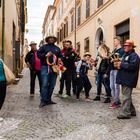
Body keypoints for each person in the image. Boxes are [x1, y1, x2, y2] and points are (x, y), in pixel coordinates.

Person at [114, 40, 140, 119]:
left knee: (125, 96)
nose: (125, 47)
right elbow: (124, 65)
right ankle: (132, 111)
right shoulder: (126, 54)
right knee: (127, 96)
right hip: (125, 78)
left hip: (129, 79)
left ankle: (125, 113)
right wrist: (118, 65)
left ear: (131, 47)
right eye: (124, 45)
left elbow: (133, 66)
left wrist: (121, 64)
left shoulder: (134, 56)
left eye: (127, 46)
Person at [37, 36, 62, 108]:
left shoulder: (57, 48)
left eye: (53, 38)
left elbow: (61, 56)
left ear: (54, 40)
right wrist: (45, 55)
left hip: (54, 68)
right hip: (45, 67)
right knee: (44, 84)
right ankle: (43, 100)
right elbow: (38, 55)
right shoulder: (43, 47)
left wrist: (60, 58)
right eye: (50, 38)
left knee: (52, 85)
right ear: (47, 40)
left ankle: (48, 99)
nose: (51, 39)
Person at [109, 36, 124, 109]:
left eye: (115, 41)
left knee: (116, 86)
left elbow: (122, 60)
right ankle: (117, 100)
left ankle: (116, 102)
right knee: (111, 86)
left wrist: (116, 60)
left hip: (117, 70)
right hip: (112, 69)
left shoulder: (122, 50)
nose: (114, 42)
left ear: (118, 41)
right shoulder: (114, 50)